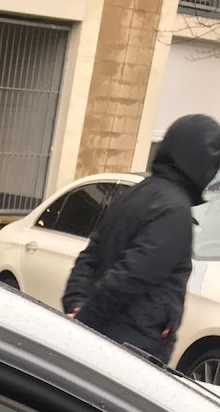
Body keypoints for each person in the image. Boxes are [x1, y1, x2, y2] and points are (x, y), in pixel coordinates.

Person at [63, 113, 220, 362]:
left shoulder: (135, 194)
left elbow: (90, 255)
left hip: (104, 342)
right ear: (200, 162)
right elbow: (131, 277)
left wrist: (76, 306)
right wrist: (83, 322)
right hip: (130, 352)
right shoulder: (175, 212)